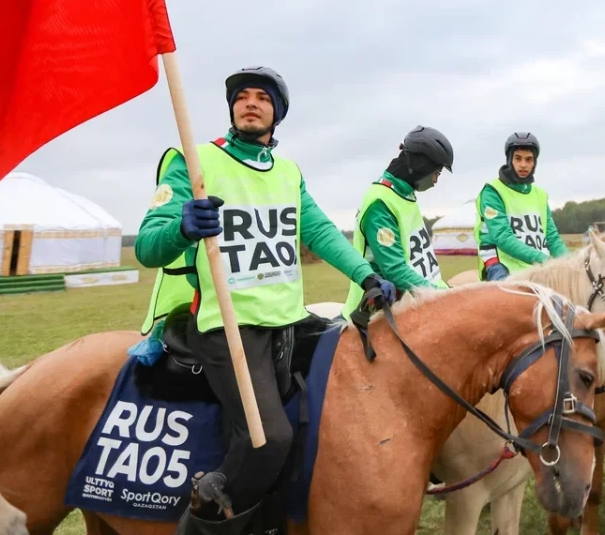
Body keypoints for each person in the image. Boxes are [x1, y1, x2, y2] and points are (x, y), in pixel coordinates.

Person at [135, 66, 396, 529]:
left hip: (288, 320)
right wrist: (182, 227)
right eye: (242, 96)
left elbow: (319, 231)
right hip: (227, 326)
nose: (250, 102)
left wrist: (367, 275)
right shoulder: (193, 161)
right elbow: (147, 246)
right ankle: (204, 515)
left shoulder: (289, 172)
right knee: (268, 439)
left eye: (262, 97)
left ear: (277, 113)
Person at [343, 126, 455, 315]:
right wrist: (442, 297)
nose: (435, 180)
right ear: (421, 166)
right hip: (378, 311)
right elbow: (394, 270)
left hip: (416, 299)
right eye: (436, 172)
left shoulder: (404, 193)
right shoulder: (381, 203)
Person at [475, 132, 568, 280]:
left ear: (534, 162)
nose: (523, 165)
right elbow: (502, 237)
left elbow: (552, 238)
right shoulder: (493, 191)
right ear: (509, 160)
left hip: (537, 264)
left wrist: (570, 263)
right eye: (518, 158)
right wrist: (546, 261)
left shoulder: (540, 195)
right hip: (501, 265)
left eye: (529, 159)